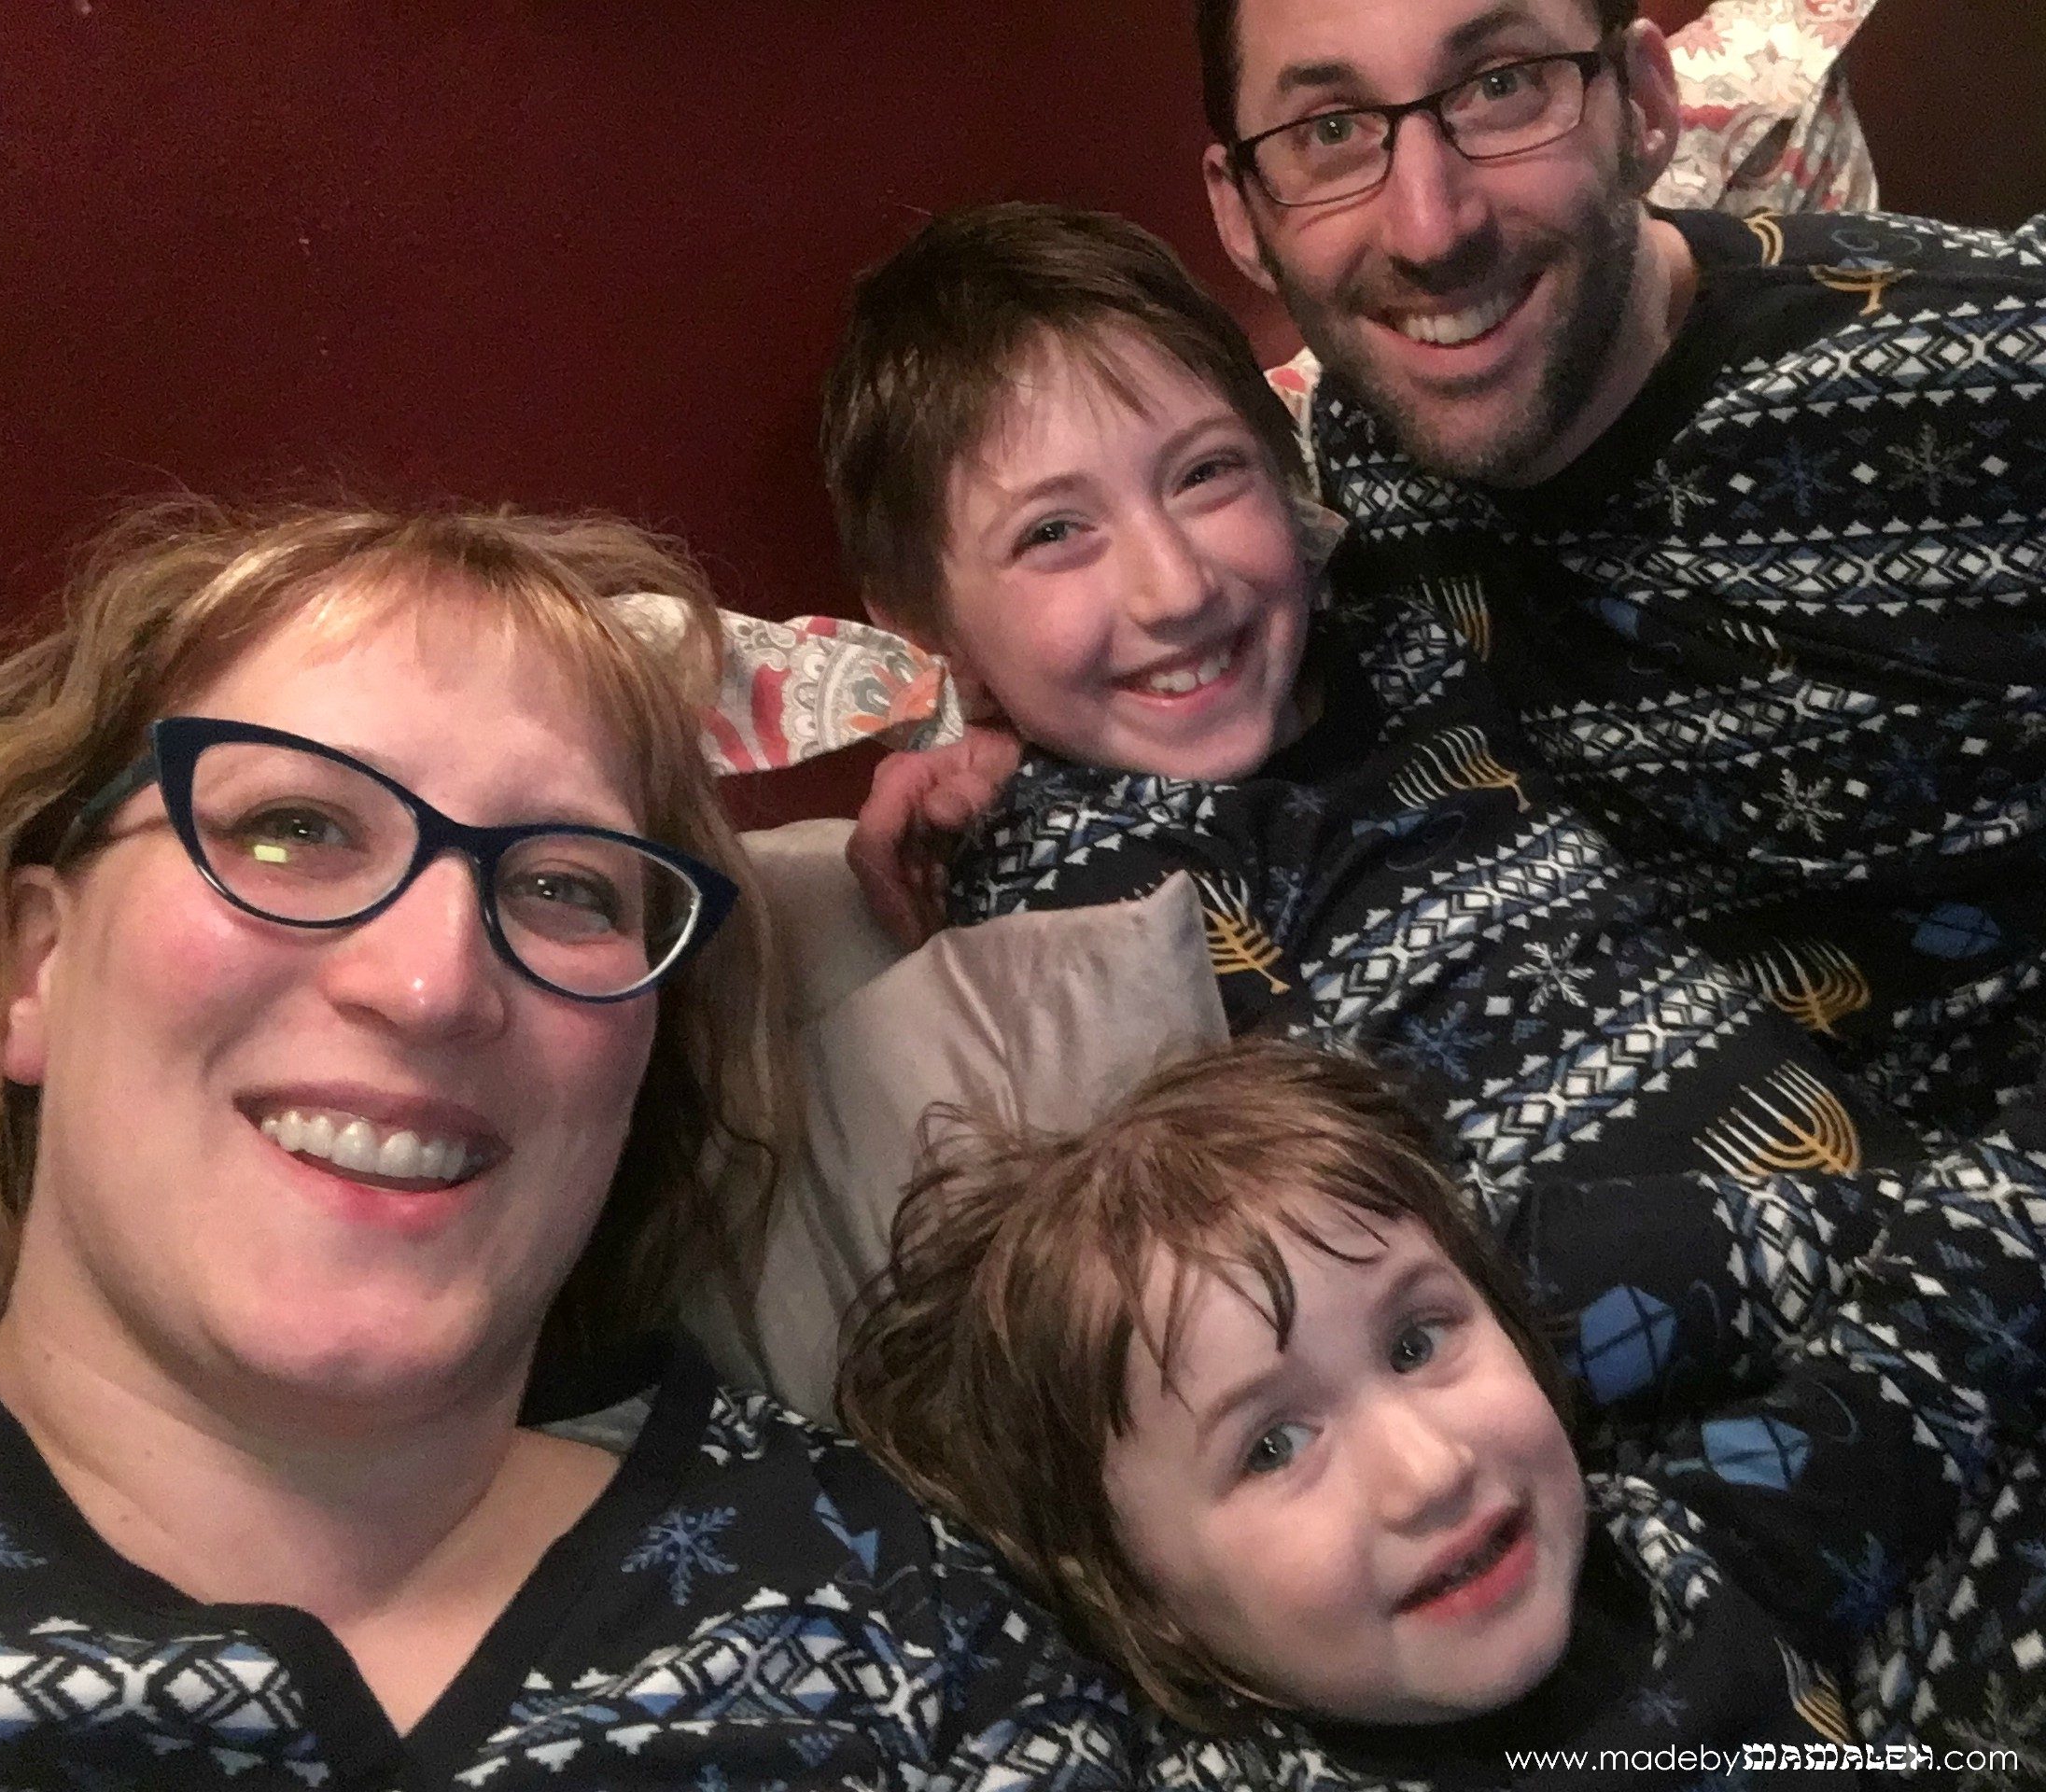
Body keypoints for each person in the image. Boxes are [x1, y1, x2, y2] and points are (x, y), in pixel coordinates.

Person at [0, 499, 1137, 1786]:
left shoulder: (899, 1613)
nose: (434, 985)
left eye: (564, 888)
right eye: (297, 827)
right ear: (33, 967)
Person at [852, 0, 2046, 1146]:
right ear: (1242, 211)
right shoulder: (1381, 430)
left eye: (1500, 85)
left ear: (1643, 102)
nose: (1428, 230)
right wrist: (991, 735)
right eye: (1330, 129)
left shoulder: (1987, 375)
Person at [820, 200, 1917, 1194]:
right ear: (925, 626)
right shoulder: (1080, 897)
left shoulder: (1408, 632)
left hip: (1883, 1186)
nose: (1177, 588)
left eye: (1206, 473)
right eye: (1054, 532)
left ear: (1285, 476)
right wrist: (981, 743)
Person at [838, 1037, 2046, 1784]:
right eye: (1272, 1445)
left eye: (1417, 1342)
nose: (1428, 1469)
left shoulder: (1684, 1553)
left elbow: (1932, 1345)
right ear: (1133, 1594)